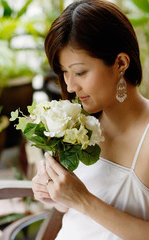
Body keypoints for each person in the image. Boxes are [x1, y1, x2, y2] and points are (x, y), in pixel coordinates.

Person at [32, 0, 149, 239]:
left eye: (80, 72)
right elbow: (71, 210)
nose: (70, 85)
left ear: (121, 63)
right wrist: (53, 191)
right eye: (64, 72)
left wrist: (83, 200)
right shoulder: (76, 125)